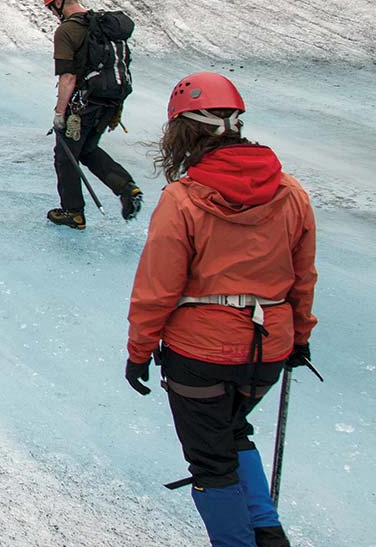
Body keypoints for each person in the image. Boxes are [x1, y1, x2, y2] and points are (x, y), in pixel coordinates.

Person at [124, 73, 317, 547]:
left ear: (181, 131)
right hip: (268, 346)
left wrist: (139, 350)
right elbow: (302, 275)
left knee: (212, 461)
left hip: (200, 354)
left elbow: (157, 287)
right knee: (234, 432)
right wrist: (300, 336)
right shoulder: (290, 192)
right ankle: (268, 536)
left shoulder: (183, 199)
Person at [43, 0, 142, 229]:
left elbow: (68, 77)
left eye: (51, 8)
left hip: (83, 104)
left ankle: (73, 212)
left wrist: (59, 113)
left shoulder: (67, 30)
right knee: (86, 149)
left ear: (58, 3)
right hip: (111, 102)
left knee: (65, 155)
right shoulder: (102, 24)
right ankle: (126, 188)